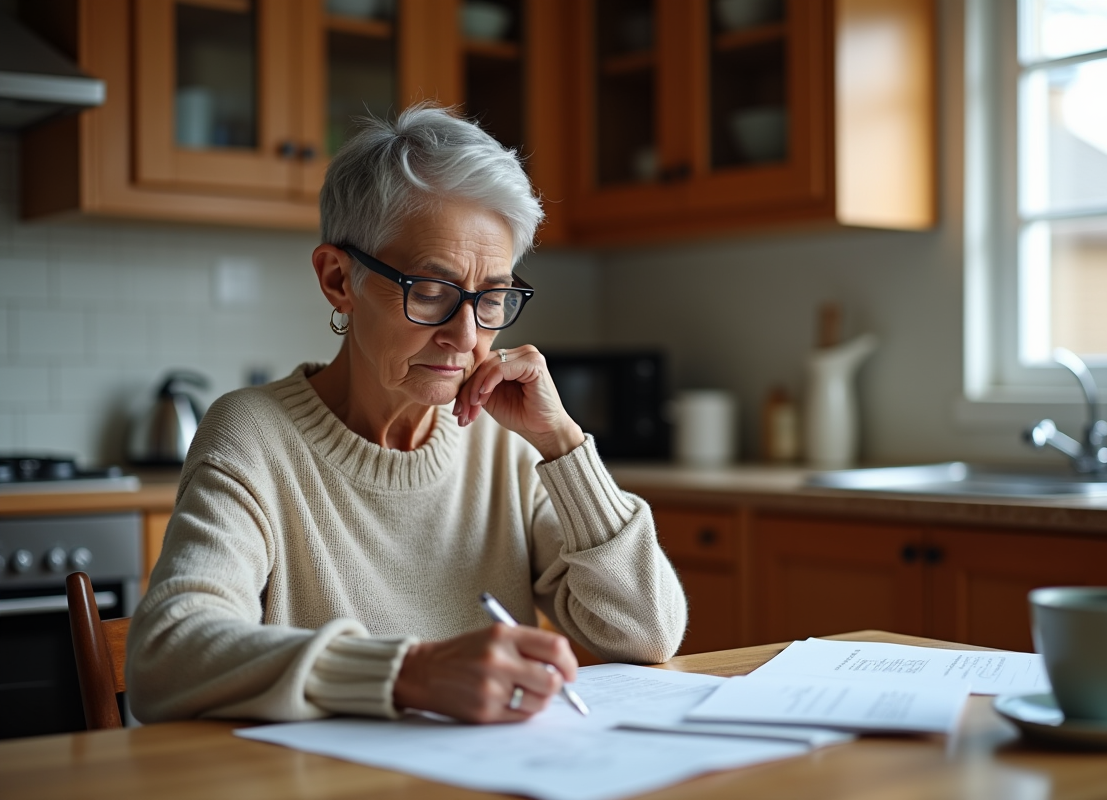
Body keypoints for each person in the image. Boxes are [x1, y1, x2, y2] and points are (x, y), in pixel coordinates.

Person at [126, 105, 687, 725]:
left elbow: (647, 633)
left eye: (492, 297)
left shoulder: (506, 444)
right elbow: (165, 658)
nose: (467, 335)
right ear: (339, 279)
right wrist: (411, 674)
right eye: (430, 291)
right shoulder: (254, 435)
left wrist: (562, 444)